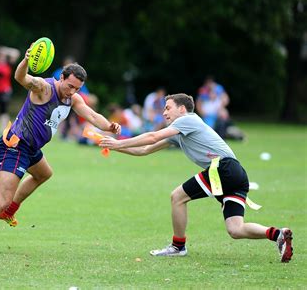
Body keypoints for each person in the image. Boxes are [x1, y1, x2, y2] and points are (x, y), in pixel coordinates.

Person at [0, 43, 121, 255]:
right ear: (61, 77)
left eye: (77, 88)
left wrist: (109, 126)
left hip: (31, 149)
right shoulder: (44, 87)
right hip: (15, 146)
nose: (72, 91)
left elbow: (91, 115)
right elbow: (21, 78)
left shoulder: (73, 98)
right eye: (70, 86)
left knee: (44, 173)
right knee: (2, 200)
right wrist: (25, 61)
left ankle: (9, 212)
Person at [99, 93, 293, 263]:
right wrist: (118, 147)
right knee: (235, 229)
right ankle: (278, 234)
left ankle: (178, 247)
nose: (164, 113)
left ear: (182, 109)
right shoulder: (180, 131)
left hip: (223, 169)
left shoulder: (187, 120)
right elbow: (144, 149)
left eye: (168, 108)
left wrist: (118, 143)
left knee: (177, 197)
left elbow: (151, 137)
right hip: (236, 174)